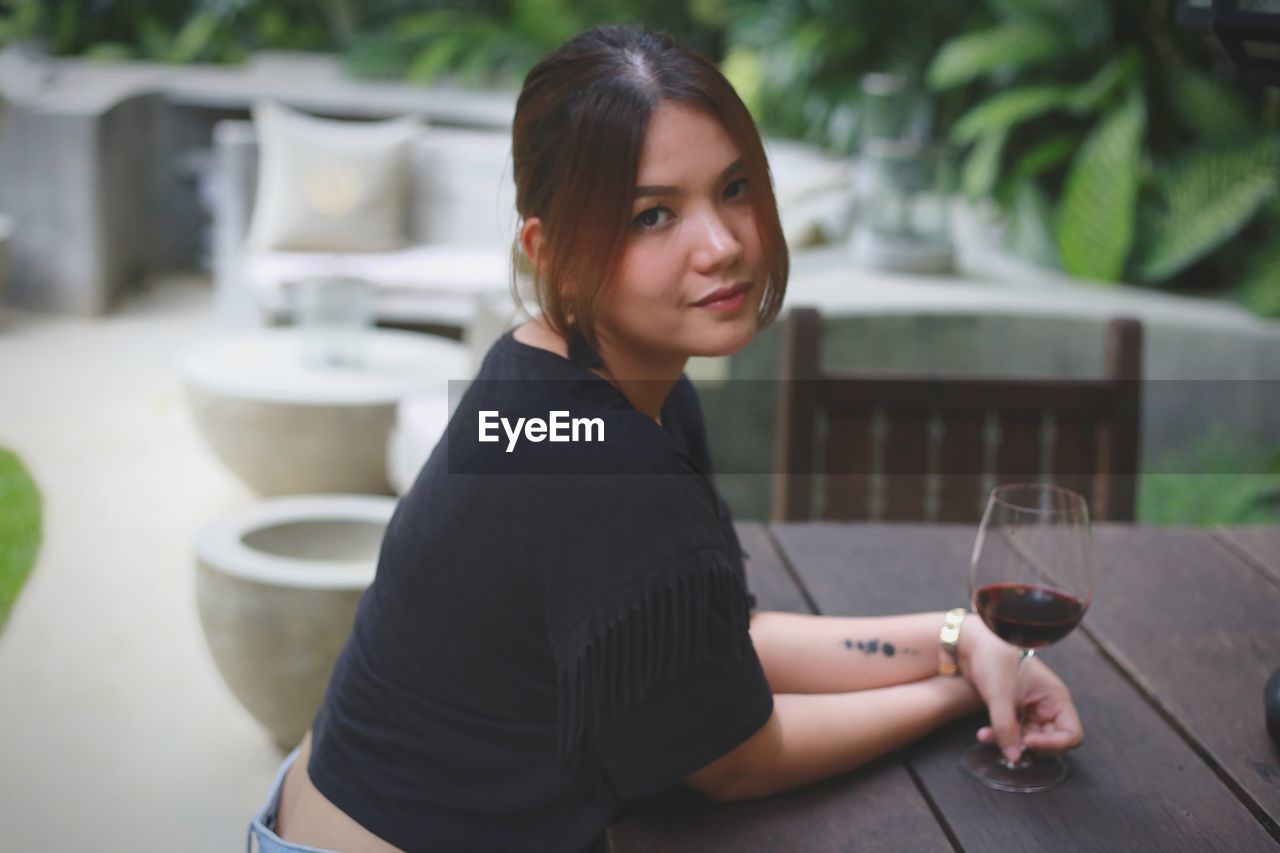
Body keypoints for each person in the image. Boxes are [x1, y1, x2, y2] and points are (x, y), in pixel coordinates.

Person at [248, 24, 1083, 853]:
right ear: (552, 255)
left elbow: (701, 648)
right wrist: (961, 691)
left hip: (312, 804)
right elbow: (735, 759)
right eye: (652, 215)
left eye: (735, 188)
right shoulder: (602, 468)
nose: (721, 245)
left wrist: (955, 637)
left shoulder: (565, 373)